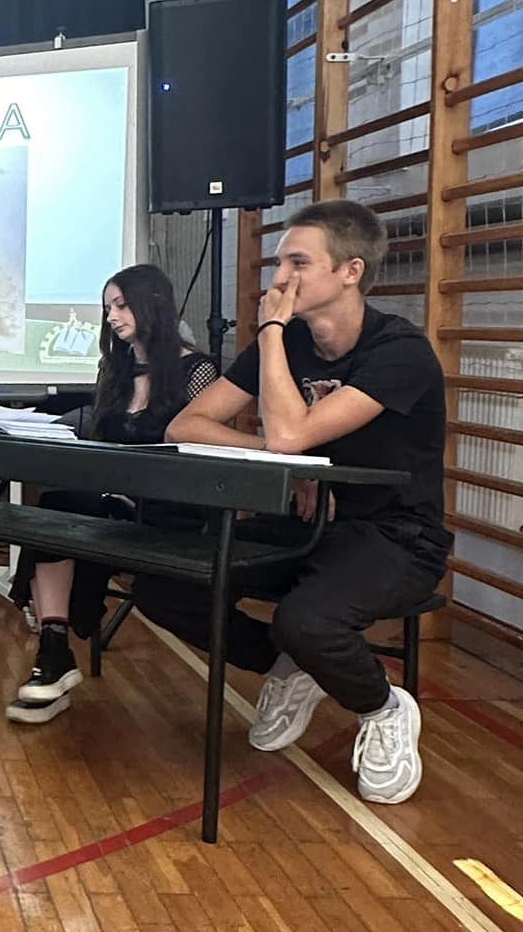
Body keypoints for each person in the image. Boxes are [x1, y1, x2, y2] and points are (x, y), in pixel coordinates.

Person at [158, 197, 451, 804]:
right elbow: (186, 426)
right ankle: (291, 667)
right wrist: (287, 464)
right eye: (278, 263)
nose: (281, 278)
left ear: (351, 271)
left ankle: (384, 707)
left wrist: (268, 334)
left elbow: (291, 435)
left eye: (298, 263)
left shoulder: (399, 351)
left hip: (396, 536)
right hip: (307, 524)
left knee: (307, 621)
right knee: (167, 584)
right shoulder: (291, 342)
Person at [6, 262, 219, 722]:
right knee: (56, 508)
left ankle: (54, 658)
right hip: (112, 500)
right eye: (108, 308)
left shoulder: (197, 370)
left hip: (168, 509)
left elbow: (199, 451)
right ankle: (54, 652)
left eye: (121, 305)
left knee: (59, 510)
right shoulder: (116, 369)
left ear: (151, 304)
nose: (111, 317)